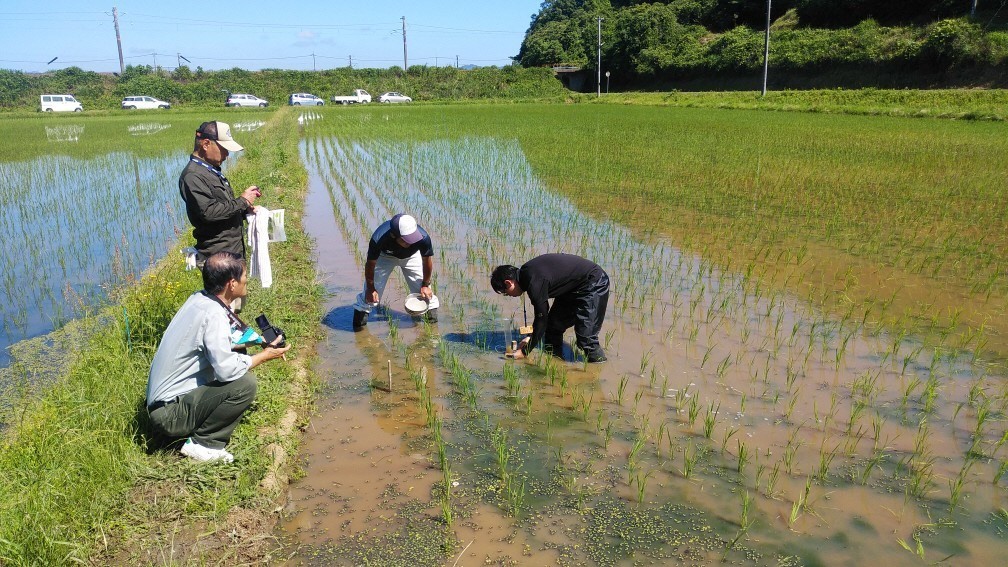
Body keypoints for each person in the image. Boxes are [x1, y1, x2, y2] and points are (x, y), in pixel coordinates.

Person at [146, 252, 291, 462]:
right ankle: (204, 443)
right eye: (244, 278)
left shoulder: (199, 299)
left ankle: (200, 431)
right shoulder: (214, 314)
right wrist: (264, 356)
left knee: (238, 359)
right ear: (232, 284)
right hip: (169, 415)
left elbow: (215, 343)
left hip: (162, 404)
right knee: (245, 384)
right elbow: (226, 369)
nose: (247, 282)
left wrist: (256, 342)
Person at [491, 253, 609, 363]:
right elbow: (543, 320)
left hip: (593, 282)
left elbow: (541, 318)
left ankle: (598, 370)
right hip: (571, 288)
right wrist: (531, 338)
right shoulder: (526, 274)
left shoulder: (533, 282)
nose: (509, 296)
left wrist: (524, 351)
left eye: (506, 293)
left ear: (508, 283)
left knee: (586, 338)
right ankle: (556, 363)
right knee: (553, 328)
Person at [178, 121, 261, 264]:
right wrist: (242, 201)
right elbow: (208, 212)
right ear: (205, 144)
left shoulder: (210, 170)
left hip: (231, 252)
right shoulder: (193, 176)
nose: (227, 154)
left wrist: (245, 210)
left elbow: (221, 209)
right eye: (223, 148)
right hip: (218, 258)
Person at [353, 213, 438, 330]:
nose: (411, 243)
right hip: (385, 256)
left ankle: (433, 328)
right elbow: (370, 265)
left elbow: (427, 261)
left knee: (425, 293)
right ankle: (358, 332)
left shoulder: (423, 237)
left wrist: (425, 284)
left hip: (411, 257)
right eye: (406, 240)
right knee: (370, 296)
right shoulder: (379, 238)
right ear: (394, 235)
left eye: (413, 238)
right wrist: (371, 288)